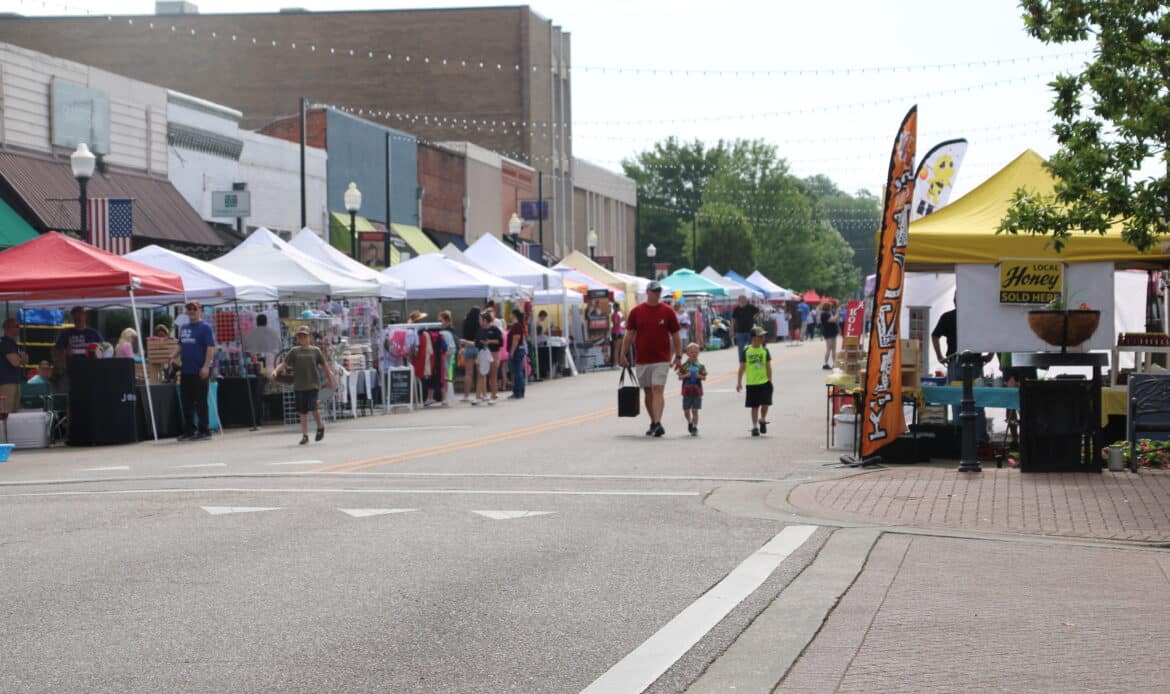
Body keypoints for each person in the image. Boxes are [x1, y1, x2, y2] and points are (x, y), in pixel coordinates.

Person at [620, 280, 682, 437]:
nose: (656, 294)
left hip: (662, 359)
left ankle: (658, 422)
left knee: (657, 389)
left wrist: (678, 356)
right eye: (654, 291)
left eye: (659, 291)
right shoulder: (636, 312)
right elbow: (629, 335)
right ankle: (654, 422)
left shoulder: (668, 311)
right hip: (642, 359)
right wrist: (623, 353)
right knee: (648, 392)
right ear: (647, 292)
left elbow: (676, 336)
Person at [931, 293, 991, 444]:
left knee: (957, 401)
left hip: (955, 362)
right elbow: (993, 334)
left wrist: (939, 356)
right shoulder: (979, 317)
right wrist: (990, 355)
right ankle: (979, 439)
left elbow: (935, 335)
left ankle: (961, 439)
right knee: (977, 400)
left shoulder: (948, 316)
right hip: (975, 363)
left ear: (954, 301)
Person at [271, 325, 335, 445]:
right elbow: (284, 364)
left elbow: (325, 367)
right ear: (297, 339)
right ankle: (305, 435)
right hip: (299, 385)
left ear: (309, 337)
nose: (302, 339)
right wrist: (276, 370)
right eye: (300, 337)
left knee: (314, 408)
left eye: (305, 336)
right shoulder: (294, 351)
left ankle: (320, 426)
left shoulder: (315, 351)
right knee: (302, 412)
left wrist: (330, 381)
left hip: (313, 384)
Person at [170, 301, 216, 442]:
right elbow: (181, 345)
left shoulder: (205, 328)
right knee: (187, 402)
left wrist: (206, 366)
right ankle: (189, 430)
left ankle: (204, 430)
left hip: (199, 370)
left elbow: (210, 348)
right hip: (186, 370)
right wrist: (173, 355)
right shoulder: (184, 327)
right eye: (189, 309)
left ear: (200, 310)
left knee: (201, 401)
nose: (191, 311)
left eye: (194, 309)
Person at [737, 326, 773, 437]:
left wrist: (769, 381)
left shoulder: (765, 350)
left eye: (763, 336)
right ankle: (755, 427)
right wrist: (739, 382)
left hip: (764, 382)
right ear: (753, 337)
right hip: (752, 383)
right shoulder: (747, 351)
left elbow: (768, 366)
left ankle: (762, 419)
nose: (762, 338)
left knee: (765, 404)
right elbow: (742, 367)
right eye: (760, 336)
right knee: (754, 406)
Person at [472, 311, 503, 406]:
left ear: (485, 320)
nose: (479, 321)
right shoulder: (480, 330)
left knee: (493, 376)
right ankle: (478, 397)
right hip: (482, 353)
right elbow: (476, 342)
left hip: (493, 353)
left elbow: (500, 342)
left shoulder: (495, 329)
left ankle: (493, 397)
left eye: (480, 319)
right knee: (480, 374)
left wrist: (489, 341)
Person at [677, 342, 707, 436]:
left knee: (695, 410)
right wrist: (687, 375)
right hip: (686, 390)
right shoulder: (684, 365)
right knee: (686, 410)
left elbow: (704, 377)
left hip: (697, 390)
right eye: (691, 352)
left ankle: (694, 427)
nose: (694, 354)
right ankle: (689, 421)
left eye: (696, 352)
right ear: (687, 353)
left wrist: (699, 376)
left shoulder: (701, 365)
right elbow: (679, 377)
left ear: (698, 353)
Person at [0, 317, 28, 414]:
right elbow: (15, 362)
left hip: (15, 381)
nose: (19, 328)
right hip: (6, 382)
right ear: (9, 328)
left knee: (15, 413)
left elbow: (26, 360)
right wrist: (20, 357)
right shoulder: (5, 343)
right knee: (6, 413)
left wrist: (19, 358)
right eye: (16, 326)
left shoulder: (14, 344)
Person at [459, 307, 481, 402]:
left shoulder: (465, 322)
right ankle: (479, 395)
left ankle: (466, 395)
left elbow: (464, 335)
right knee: (480, 373)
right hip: (478, 347)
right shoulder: (479, 322)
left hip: (468, 347)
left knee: (468, 373)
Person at [506, 309, 528, 399]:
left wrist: (512, 351)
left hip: (517, 350)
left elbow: (516, 339)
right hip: (519, 350)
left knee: (517, 371)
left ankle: (517, 392)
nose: (510, 316)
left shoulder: (516, 326)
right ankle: (519, 391)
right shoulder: (517, 326)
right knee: (518, 371)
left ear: (514, 315)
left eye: (510, 314)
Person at [731, 295, 759, 362]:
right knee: (741, 348)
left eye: (744, 299)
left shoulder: (751, 307)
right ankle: (742, 362)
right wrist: (731, 329)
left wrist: (755, 317)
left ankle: (751, 360)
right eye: (741, 299)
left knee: (751, 347)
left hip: (750, 331)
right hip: (739, 331)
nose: (743, 301)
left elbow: (758, 311)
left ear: (746, 300)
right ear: (739, 300)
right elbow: (733, 320)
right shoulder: (736, 309)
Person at [820, 301, 840, 370]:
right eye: (830, 306)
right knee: (829, 348)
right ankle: (825, 363)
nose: (831, 307)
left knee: (834, 349)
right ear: (828, 307)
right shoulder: (825, 314)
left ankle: (834, 363)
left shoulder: (828, 313)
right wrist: (837, 313)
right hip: (828, 333)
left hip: (832, 332)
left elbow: (834, 320)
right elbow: (832, 320)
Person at [609, 303, 624, 367]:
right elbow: (615, 323)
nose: (619, 308)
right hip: (616, 332)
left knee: (618, 348)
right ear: (616, 308)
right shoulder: (615, 314)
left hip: (619, 331)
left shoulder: (617, 314)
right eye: (618, 307)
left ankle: (617, 362)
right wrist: (620, 320)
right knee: (616, 349)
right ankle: (615, 363)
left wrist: (621, 320)